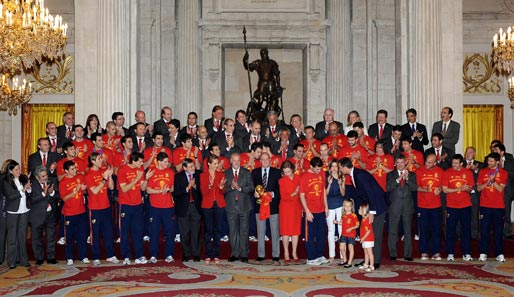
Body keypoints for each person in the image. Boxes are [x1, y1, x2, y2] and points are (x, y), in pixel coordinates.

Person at [339, 156, 387, 270]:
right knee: (370, 234)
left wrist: (371, 211)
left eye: (340, 167)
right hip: (371, 207)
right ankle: (368, 260)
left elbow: (371, 193)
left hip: (377, 207)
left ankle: (375, 261)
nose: (340, 170)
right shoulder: (355, 174)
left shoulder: (359, 175)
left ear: (345, 167)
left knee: (375, 234)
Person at [85, 152, 120, 265]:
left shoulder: (102, 172)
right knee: (95, 233)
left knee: (108, 231)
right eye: (99, 159)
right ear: (93, 161)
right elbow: (94, 191)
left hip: (106, 206)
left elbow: (111, 187)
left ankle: (111, 255)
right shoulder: (89, 174)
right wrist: (104, 179)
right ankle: (96, 257)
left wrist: (109, 176)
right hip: (94, 208)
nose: (101, 161)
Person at [118, 152, 152, 265]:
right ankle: (126, 256)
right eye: (140, 161)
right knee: (124, 231)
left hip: (137, 204)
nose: (142, 164)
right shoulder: (122, 170)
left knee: (138, 231)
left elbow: (142, 188)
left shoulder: (140, 170)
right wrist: (136, 179)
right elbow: (124, 189)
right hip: (125, 204)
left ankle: (139, 255)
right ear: (133, 160)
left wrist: (145, 179)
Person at [442, 154, 474, 262]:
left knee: (466, 230)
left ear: (461, 163)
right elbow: (445, 190)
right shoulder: (447, 173)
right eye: (453, 163)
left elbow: (471, 189)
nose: (454, 165)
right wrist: (459, 188)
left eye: (456, 163)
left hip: (465, 205)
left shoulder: (468, 172)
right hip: (452, 206)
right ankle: (450, 253)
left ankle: (467, 253)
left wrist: (466, 189)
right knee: (450, 230)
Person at [476, 153, 507, 262]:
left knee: (498, 231)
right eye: (488, 161)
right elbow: (479, 188)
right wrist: (487, 182)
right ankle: (484, 252)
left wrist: (493, 181)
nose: (489, 163)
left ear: (497, 162)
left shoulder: (503, 173)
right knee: (484, 230)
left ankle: (499, 253)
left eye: (491, 161)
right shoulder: (483, 171)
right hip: (485, 205)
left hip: (498, 206)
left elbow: (500, 189)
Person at [146, 152, 176, 264]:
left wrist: (168, 190)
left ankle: (169, 254)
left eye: (168, 161)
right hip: (155, 206)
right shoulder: (152, 171)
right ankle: (153, 255)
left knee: (169, 232)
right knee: (154, 232)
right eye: (165, 162)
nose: (167, 163)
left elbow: (172, 188)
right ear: (159, 161)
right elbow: (148, 190)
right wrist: (160, 191)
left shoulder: (170, 172)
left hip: (168, 206)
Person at [386, 154, 417, 262]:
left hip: (407, 207)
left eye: (402, 162)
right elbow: (388, 188)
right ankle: (393, 254)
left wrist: (407, 179)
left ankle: (408, 254)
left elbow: (414, 188)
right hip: (394, 206)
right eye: (397, 163)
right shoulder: (390, 174)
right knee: (393, 231)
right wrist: (398, 180)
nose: (399, 165)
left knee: (408, 231)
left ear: (405, 163)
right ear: (395, 163)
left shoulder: (412, 174)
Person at [224, 153, 255, 263]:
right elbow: (222, 190)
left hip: (244, 206)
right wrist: (232, 187)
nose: (236, 162)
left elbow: (251, 188)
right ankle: (235, 254)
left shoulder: (246, 172)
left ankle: (244, 254)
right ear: (230, 161)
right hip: (231, 205)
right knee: (233, 231)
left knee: (244, 230)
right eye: (234, 160)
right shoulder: (225, 173)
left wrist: (240, 188)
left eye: (238, 160)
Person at [252, 152, 281, 262]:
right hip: (259, 206)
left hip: (273, 206)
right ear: (259, 161)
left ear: (270, 160)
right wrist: (254, 193)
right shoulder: (254, 173)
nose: (264, 161)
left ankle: (276, 254)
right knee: (260, 231)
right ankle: (261, 254)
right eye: (262, 159)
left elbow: (280, 189)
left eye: (266, 159)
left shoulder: (277, 173)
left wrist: (271, 194)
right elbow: (251, 187)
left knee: (275, 231)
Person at [299, 157, 329, 266]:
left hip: (321, 209)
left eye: (320, 169)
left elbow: (324, 191)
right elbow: (301, 195)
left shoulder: (322, 174)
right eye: (316, 169)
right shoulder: (304, 177)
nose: (318, 171)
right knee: (309, 235)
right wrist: (306, 211)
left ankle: (320, 255)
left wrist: (326, 206)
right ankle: (311, 258)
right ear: (311, 166)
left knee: (321, 234)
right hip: (310, 210)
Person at [59, 160, 89, 266]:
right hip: (69, 212)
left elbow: (85, 192)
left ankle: (83, 256)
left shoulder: (80, 177)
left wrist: (84, 190)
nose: (75, 170)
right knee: (69, 236)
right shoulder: (63, 182)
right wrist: (74, 191)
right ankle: (69, 257)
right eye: (72, 169)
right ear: (66, 171)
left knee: (82, 235)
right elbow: (64, 198)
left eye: (75, 168)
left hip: (81, 210)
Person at [3, 160, 31, 269]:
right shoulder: (6, 181)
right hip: (13, 211)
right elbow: (10, 195)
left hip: (24, 210)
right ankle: (12, 261)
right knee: (12, 237)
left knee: (22, 236)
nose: (19, 171)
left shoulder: (23, 177)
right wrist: (22, 189)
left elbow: (29, 192)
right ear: (10, 171)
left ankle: (23, 259)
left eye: (19, 168)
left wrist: (28, 188)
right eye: (16, 170)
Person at [416, 154, 444, 261]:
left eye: (429, 162)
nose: (426, 164)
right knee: (423, 229)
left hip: (436, 205)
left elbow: (443, 186)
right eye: (426, 161)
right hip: (422, 205)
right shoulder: (419, 171)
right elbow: (416, 187)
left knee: (436, 229)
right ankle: (424, 251)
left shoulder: (440, 171)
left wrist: (440, 189)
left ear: (435, 163)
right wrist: (425, 190)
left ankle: (436, 252)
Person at [174, 158, 202, 262]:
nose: (193, 168)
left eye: (193, 166)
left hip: (196, 207)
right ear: (184, 168)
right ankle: (186, 253)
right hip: (183, 208)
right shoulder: (178, 177)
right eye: (190, 167)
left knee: (196, 232)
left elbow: (203, 191)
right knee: (184, 232)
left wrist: (194, 186)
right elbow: (176, 193)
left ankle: (196, 254)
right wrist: (187, 187)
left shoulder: (199, 175)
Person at [29, 166, 58, 265]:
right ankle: (39, 258)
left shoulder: (51, 181)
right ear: (37, 177)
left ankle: (51, 257)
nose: (46, 177)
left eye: (46, 175)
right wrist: (43, 194)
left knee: (51, 236)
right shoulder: (32, 184)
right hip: (37, 215)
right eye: (43, 176)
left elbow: (58, 195)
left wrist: (52, 192)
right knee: (37, 237)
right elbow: (31, 200)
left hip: (50, 213)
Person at [200, 155, 226, 264]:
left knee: (217, 230)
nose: (217, 165)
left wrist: (221, 188)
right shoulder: (203, 176)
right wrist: (209, 187)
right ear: (209, 164)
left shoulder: (221, 174)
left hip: (219, 204)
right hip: (207, 205)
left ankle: (216, 254)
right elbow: (203, 192)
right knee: (208, 230)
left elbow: (223, 191)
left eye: (217, 163)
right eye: (214, 163)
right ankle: (207, 254)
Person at [243, 48, 282, 119]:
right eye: (262, 54)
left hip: (271, 83)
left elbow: (277, 74)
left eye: (264, 54)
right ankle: (259, 112)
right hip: (262, 83)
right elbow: (248, 67)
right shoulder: (258, 63)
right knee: (260, 99)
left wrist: (278, 85)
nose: (263, 55)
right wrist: (245, 60)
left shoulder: (272, 63)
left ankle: (269, 114)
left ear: (267, 54)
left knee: (271, 98)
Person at [278, 160, 301, 262]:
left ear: (292, 169)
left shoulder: (298, 178)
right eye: (285, 172)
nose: (287, 174)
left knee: (296, 231)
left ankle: (294, 252)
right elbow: (283, 197)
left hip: (296, 207)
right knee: (286, 231)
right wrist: (294, 193)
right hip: (285, 208)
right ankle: (286, 252)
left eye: (288, 171)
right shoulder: (282, 181)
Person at [325, 160, 345, 262]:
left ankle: (342, 255)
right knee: (331, 230)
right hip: (330, 205)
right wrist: (329, 184)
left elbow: (343, 193)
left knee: (341, 229)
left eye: (335, 166)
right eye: (332, 166)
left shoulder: (342, 177)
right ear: (329, 168)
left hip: (340, 204)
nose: (334, 168)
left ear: (338, 167)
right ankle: (331, 255)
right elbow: (326, 193)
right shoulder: (327, 177)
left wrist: (340, 184)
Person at [464, 146, 483, 240]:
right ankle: (461, 234)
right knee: (463, 215)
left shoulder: (480, 165)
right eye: (467, 152)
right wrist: (466, 170)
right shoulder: (461, 164)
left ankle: (474, 234)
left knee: (474, 215)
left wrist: (475, 170)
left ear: (474, 154)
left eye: (470, 152)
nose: (468, 154)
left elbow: (482, 178)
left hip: (474, 194)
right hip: (462, 194)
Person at [335, 198, 359, 268]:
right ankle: (345, 259)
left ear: (352, 207)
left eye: (349, 206)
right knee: (341, 248)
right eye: (346, 206)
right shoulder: (343, 215)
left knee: (350, 248)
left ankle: (349, 262)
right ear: (344, 207)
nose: (348, 208)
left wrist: (351, 228)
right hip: (344, 234)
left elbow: (357, 225)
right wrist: (337, 222)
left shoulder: (353, 215)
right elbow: (342, 223)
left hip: (351, 235)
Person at [358, 202, 375, 272]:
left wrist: (363, 238)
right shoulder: (363, 219)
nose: (358, 209)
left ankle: (371, 266)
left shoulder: (366, 221)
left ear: (363, 211)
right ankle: (366, 264)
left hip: (368, 239)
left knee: (369, 253)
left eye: (360, 209)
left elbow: (368, 231)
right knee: (366, 252)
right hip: (365, 240)